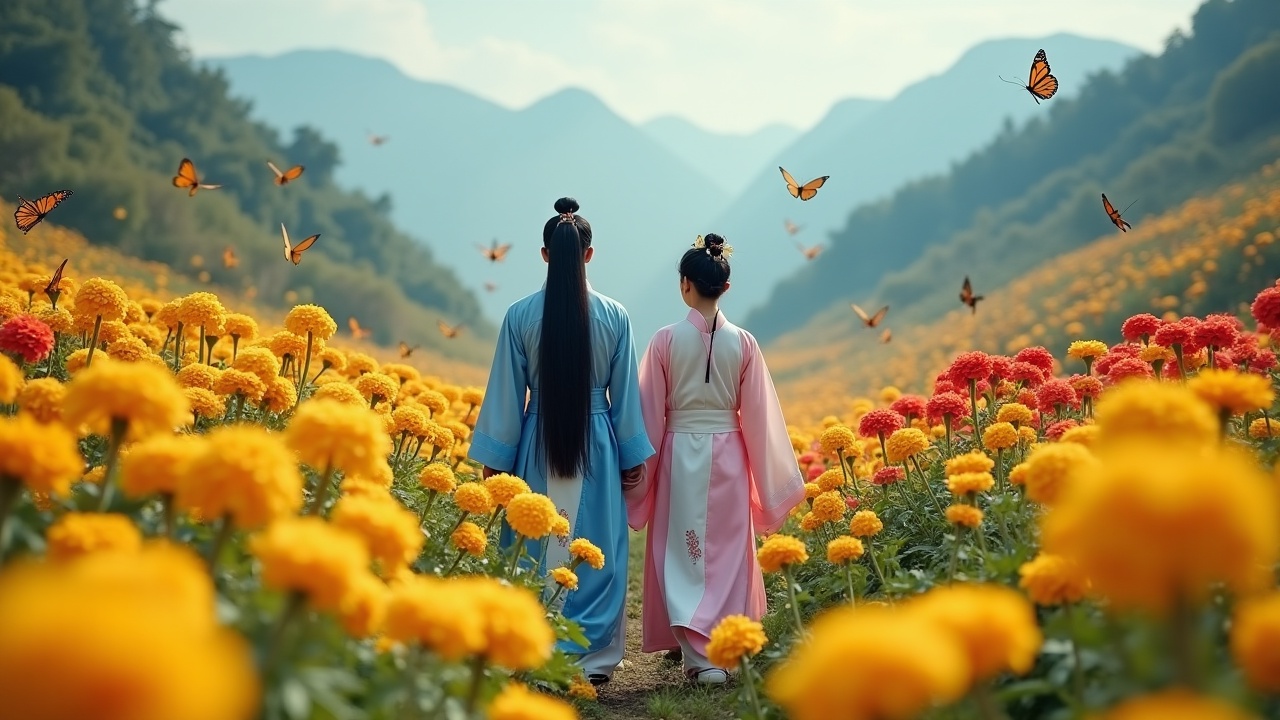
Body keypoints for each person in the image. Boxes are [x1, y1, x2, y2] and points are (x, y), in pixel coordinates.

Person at [469, 197, 655, 685]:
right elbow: (626, 399)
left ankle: (532, 649)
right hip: (596, 442)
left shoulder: (519, 315)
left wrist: (497, 459)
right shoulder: (616, 315)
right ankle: (591, 661)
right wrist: (631, 452)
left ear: (545, 254)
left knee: (533, 546)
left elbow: (508, 395)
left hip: (536, 443)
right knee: (594, 549)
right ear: (589, 255)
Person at [625, 233, 805, 684]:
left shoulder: (665, 341)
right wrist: (770, 479)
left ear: (684, 285)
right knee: (726, 551)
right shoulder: (744, 343)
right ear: (725, 288)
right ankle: (720, 652)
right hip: (729, 451)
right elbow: (761, 417)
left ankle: (696, 654)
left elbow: (648, 413)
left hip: (678, 452)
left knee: (681, 549)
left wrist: (636, 473)